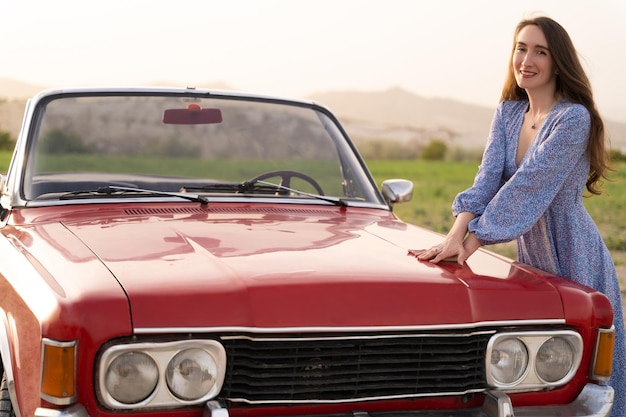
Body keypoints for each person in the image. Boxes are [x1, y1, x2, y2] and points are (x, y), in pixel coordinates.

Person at [417, 16, 624, 416]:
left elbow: (526, 187)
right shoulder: (509, 113)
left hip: (573, 250)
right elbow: (486, 181)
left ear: (558, 62)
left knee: (581, 373)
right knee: (538, 367)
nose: (526, 59)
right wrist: (454, 235)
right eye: (521, 48)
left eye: (540, 52)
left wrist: (473, 242)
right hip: (530, 254)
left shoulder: (572, 119)